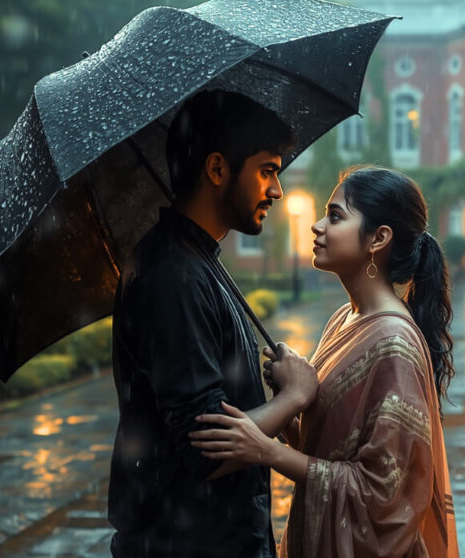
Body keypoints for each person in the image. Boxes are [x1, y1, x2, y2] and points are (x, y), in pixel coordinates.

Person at [191, 166, 460, 558]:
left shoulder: (395, 345)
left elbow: (383, 493)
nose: (317, 226)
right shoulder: (344, 318)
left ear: (378, 238)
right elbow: (329, 445)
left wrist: (267, 452)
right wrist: (293, 395)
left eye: (335, 216)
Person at [108, 90, 318, 558]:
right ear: (218, 169)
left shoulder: (195, 262)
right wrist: (295, 397)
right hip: (188, 543)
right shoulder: (172, 277)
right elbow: (205, 450)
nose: (277, 191)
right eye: (267, 170)